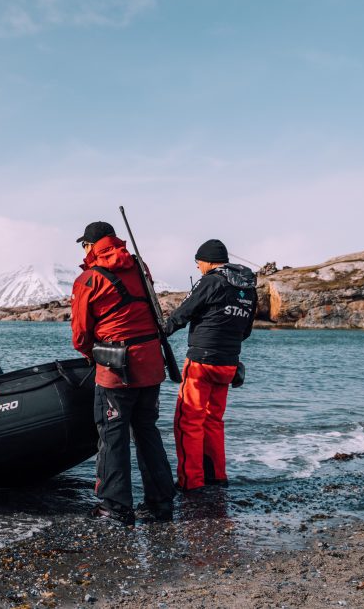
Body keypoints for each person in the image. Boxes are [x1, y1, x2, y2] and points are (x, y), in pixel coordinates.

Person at [71, 221, 175, 527]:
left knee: (112, 436)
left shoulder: (88, 279)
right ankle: (160, 503)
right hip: (151, 364)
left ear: (91, 246)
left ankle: (115, 507)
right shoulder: (140, 266)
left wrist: (91, 354)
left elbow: (80, 334)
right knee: (147, 432)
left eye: (84, 245)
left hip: (115, 369)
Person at [164, 239, 257, 492]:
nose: (198, 267)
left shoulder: (211, 281)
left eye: (198, 262)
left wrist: (160, 334)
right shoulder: (248, 287)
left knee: (188, 421)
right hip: (228, 364)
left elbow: (182, 313)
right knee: (213, 420)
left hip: (201, 362)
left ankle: (191, 481)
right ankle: (216, 476)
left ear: (208, 261)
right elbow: (246, 330)